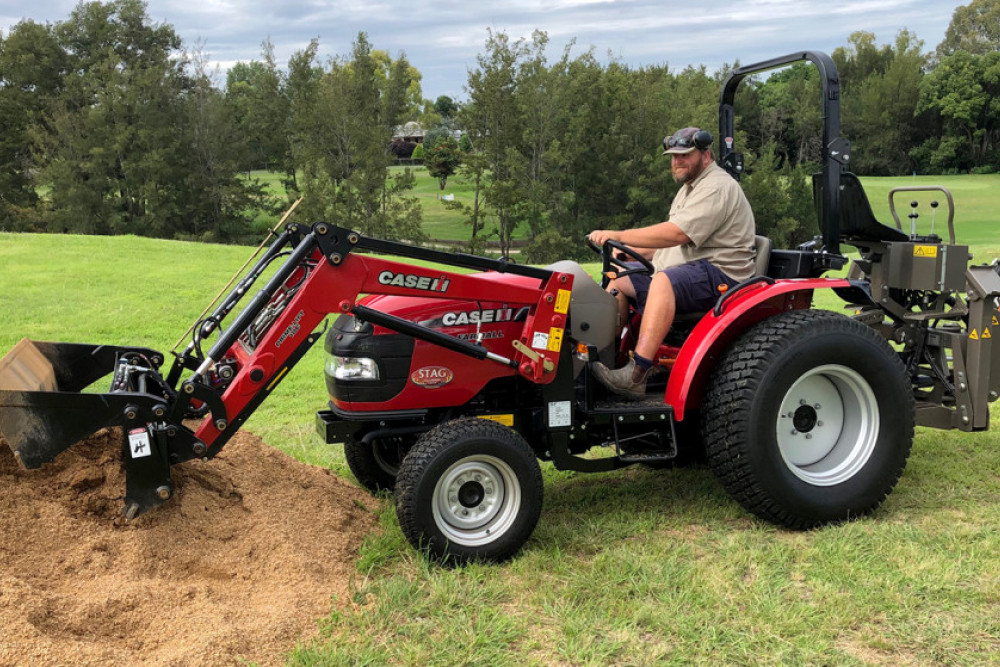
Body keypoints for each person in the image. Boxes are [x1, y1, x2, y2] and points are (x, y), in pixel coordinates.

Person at [588, 126, 756, 399]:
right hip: (692, 270)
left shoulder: (716, 187)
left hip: (722, 274)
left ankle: (635, 375)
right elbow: (671, 244)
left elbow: (677, 233)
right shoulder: (690, 188)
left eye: (685, 155)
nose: (677, 161)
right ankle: (604, 363)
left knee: (664, 281)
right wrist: (628, 251)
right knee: (617, 278)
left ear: (705, 154)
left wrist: (619, 234)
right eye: (673, 156)